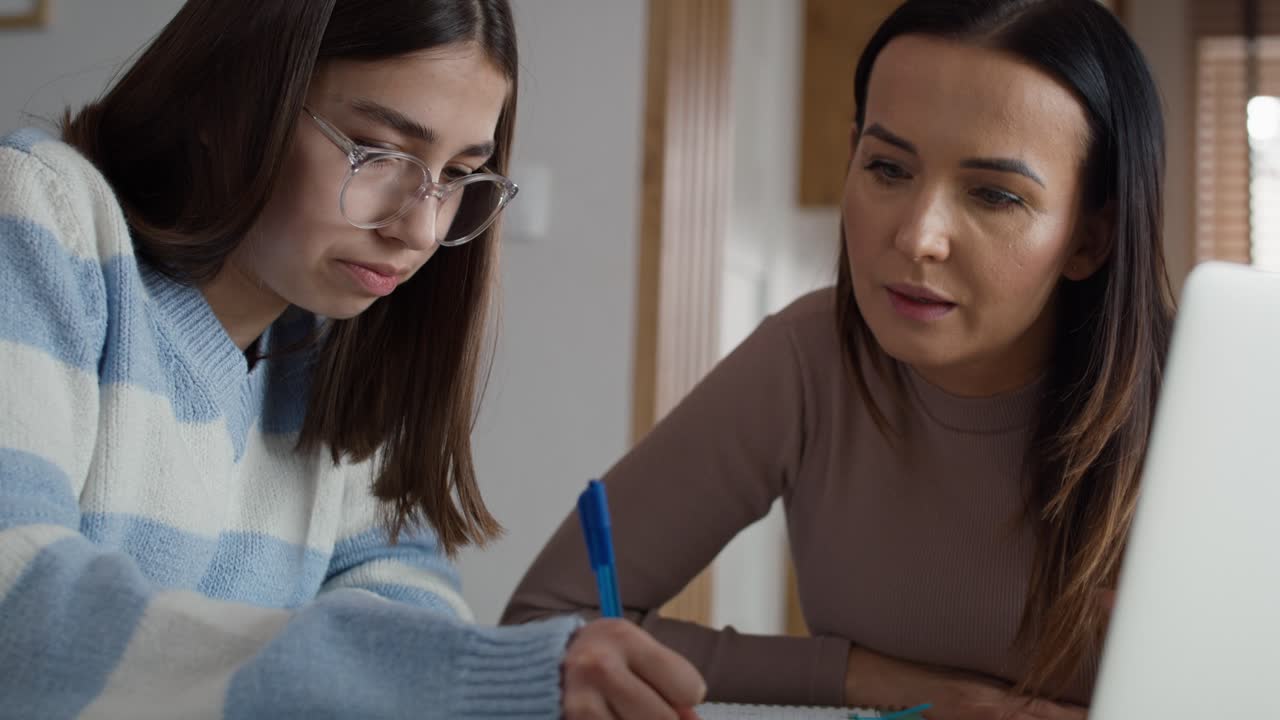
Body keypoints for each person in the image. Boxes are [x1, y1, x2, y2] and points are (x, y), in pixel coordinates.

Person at [0, 1, 705, 717]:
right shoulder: (41, 216)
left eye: (459, 173)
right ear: (225, 100)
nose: (421, 228)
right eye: (375, 151)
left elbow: (403, 591)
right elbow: (16, 608)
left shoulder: (341, 346)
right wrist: (469, 678)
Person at [503, 0, 1175, 718]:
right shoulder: (807, 360)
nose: (918, 237)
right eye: (888, 168)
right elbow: (545, 625)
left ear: (1090, 238)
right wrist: (881, 682)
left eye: (993, 195)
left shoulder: (1202, 410)